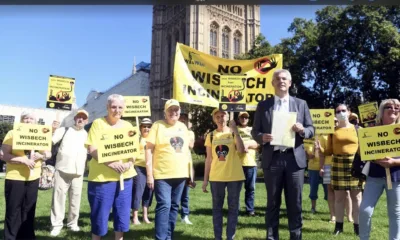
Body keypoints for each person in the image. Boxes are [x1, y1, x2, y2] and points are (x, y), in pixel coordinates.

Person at [252, 69, 314, 240]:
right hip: (273, 160)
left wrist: (302, 130)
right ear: (272, 83)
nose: (281, 81)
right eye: (277, 79)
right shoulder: (263, 105)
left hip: (294, 160)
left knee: (295, 203)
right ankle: (272, 237)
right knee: (272, 203)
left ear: (290, 82)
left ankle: (296, 237)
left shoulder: (301, 104)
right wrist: (261, 137)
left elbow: (311, 129)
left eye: (284, 78)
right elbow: (254, 131)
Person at [86, 94, 137, 240]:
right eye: (113, 107)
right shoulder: (98, 124)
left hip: (125, 178)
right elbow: (92, 149)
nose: (117, 110)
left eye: (120, 107)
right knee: (99, 215)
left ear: (124, 109)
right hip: (102, 179)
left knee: (122, 215)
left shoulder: (128, 126)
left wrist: (129, 163)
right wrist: (111, 164)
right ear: (107, 107)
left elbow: (134, 151)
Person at [145, 99, 193, 240]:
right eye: (170, 110)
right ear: (165, 112)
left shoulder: (183, 127)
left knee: (174, 206)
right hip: (162, 175)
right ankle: (160, 237)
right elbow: (148, 150)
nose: (174, 112)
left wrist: (190, 174)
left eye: (176, 109)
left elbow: (186, 151)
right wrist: (149, 174)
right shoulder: (157, 126)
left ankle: (168, 236)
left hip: (180, 174)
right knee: (164, 205)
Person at [1, 111, 51, 240]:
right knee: (13, 210)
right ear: (21, 120)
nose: (28, 121)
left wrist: (42, 155)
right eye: (26, 118)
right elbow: (3, 154)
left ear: (36, 121)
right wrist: (22, 159)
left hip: (33, 178)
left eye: (31, 118)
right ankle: (11, 237)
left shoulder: (42, 134)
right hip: (15, 177)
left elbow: (48, 153)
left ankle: (27, 236)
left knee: (28, 210)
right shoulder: (12, 134)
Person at [359, 99, 400, 240]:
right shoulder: (371, 129)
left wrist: (394, 161)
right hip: (374, 176)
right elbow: (363, 152)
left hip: (396, 176)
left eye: (397, 107)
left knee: (395, 213)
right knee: (365, 210)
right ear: (382, 111)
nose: (394, 109)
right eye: (389, 107)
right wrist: (374, 158)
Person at [202, 109, 245, 240]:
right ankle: (218, 237)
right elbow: (208, 159)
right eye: (218, 116)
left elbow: (242, 150)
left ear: (227, 117)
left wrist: (236, 131)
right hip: (216, 177)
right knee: (217, 209)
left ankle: (230, 237)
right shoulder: (210, 136)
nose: (221, 118)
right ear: (214, 119)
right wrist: (205, 180)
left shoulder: (233, 133)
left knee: (233, 208)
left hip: (235, 177)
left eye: (223, 115)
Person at [324, 104, 363, 236]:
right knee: (339, 197)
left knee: (357, 197)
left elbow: (364, 149)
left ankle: (358, 227)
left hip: (354, 164)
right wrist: (319, 149)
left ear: (349, 112)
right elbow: (329, 151)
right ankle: (338, 227)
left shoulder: (358, 129)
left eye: (343, 110)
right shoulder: (332, 131)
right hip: (338, 163)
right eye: (338, 111)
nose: (341, 113)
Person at [49, 110, 89, 236]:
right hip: (62, 170)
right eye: (79, 117)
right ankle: (56, 225)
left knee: (75, 200)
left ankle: (73, 223)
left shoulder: (87, 134)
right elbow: (50, 141)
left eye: (83, 118)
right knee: (58, 198)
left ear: (86, 121)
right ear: (74, 118)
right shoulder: (64, 130)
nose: (81, 120)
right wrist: (52, 129)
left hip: (79, 172)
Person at [132, 117, 153, 225]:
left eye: (149, 126)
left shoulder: (154, 139)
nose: (146, 128)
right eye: (144, 126)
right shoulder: (138, 139)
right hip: (139, 167)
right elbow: (133, 154)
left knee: (148, 192)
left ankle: (145, 216)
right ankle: (135, 217)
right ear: (140, 128)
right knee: (138, 192)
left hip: (151, 169)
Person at [237, 111, 259, 216]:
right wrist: (241, 146)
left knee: (250, 189)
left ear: (248, 118)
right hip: (237, 163)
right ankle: (235, 209)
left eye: (246, 117)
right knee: (235, 189)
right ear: (238, 118)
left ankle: (250, 210)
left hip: (250, 163)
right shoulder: (234, 130)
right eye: (242, 117)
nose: (244, 119)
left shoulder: (253, 130)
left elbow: (258, 145)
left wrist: (247, 145)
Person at [178, 112, 196, 225]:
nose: (183, 120)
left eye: (185, 119)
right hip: (175, 164)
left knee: (185, 193)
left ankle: (185, 215)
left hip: (186, 164)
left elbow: (191, 145)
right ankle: (172, 214)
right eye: (181, 118)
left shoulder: (190, 133)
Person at [305, 136, 327, 214]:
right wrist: (314, 150)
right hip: (313, 168)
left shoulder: (326, 136)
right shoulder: (308, 138)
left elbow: (328, 152)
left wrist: (320, 148)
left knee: (328, 191)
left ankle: (332, 210)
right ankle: (313, 208)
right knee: (313, 189)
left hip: (326, 167)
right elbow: (308, 156)